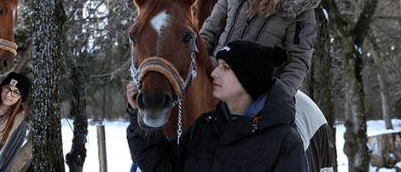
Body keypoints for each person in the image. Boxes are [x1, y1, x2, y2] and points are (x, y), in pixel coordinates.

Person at [127, 40, 305, 171]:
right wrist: (139, 115)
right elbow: (160, 164)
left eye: (225, 68)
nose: (214, 73)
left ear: (249, 79)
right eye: (218, 65)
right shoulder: (205, 127)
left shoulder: (284, 142)